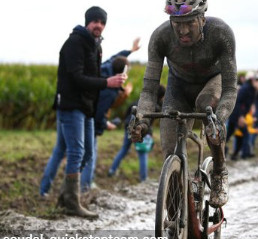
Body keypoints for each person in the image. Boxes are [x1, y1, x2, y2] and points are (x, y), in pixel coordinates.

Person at [130, 0, 237, 208]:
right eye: (177, 24)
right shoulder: (161, 37)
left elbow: (231, 88)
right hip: (178, 87)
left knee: (205, 103)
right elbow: (149, 89)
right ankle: (176, 214)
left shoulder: (221, 33)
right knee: (170, 149)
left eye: (190, 23)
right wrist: (142, 121)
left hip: (213, 83)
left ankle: (219, 172)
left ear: (202, 19)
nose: (183, 31)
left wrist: (219, 120)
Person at [46, 6, 127, 219]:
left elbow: (94, 77)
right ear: (87, 22)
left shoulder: (96, 47)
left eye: (102, 22)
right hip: (71, 105)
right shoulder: (74, 43)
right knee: (75, 152)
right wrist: (107, 82)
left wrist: (111, 86)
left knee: (88, 152)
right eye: (95, 21)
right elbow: (76, 78)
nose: (99, 25)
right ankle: (72, 202)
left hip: (87, 107)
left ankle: (65, 196)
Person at [40, 39, 139, 196]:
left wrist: (130, 51)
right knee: (87, 154)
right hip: (82, 116)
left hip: (64, 107)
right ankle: (83, 188)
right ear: (122, 73)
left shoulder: (105, 68)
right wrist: (105, 124)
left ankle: (44, 190)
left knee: (60, 150)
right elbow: (97, 111)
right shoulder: (110, 89)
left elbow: (115, 57)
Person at [109, 85, 166, 181]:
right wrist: (149, 133)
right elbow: (149, 123)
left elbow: (128, 112)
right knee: (142, 153)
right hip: (140, 130)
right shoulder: (156, 107)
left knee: (124, 149)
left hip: (129, 126)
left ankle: (112, 170)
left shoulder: (140, 100)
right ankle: (143, 179)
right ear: (161, 96)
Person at [226, 71, 258, 158]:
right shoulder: (245, 88)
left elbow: (253, 101)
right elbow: (237, 102)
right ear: (252, 80)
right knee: (244, 134)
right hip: (236, 114)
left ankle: (233, 154)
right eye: (256, 80)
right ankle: (245, 153)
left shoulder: (253, 89)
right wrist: (240, 117)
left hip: (240, 115)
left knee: (231, 134)